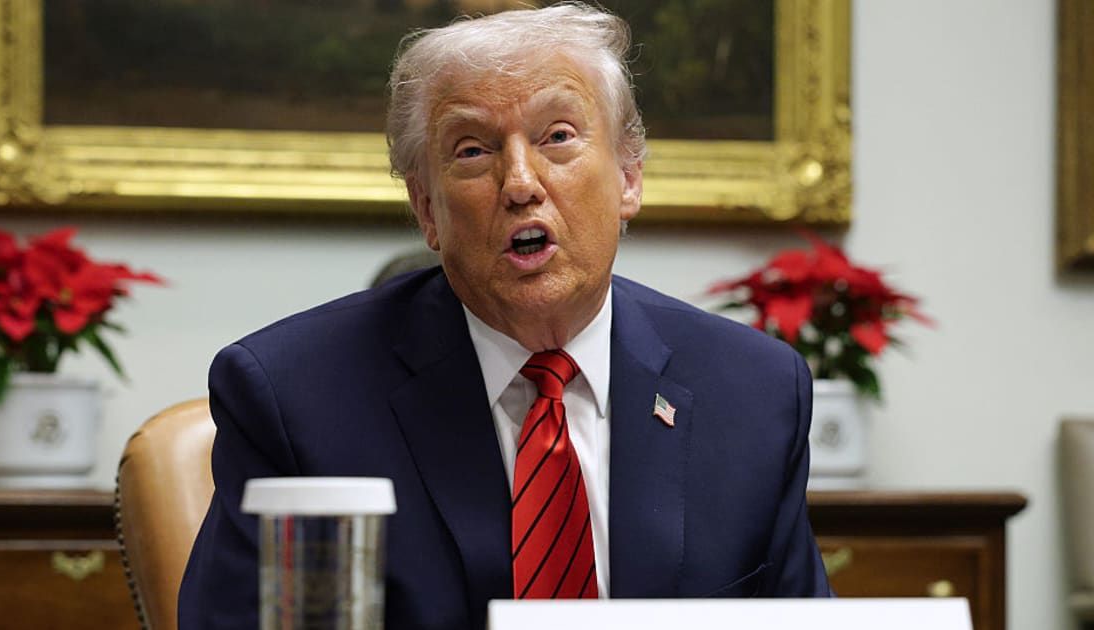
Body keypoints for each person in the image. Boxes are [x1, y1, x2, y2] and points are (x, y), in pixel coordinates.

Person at [178, 3, 831, 628]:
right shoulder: (293, 398)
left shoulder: (753, 392)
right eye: (472, 151)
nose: (520, 182)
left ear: (629, 177)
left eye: (558, 137)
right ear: (428, 209)